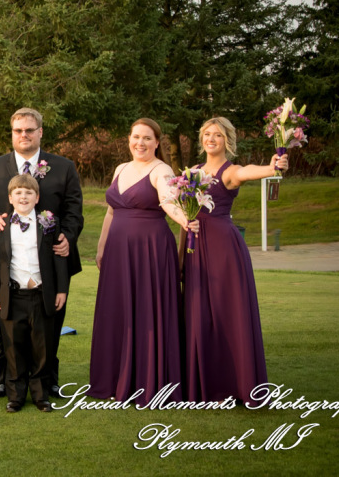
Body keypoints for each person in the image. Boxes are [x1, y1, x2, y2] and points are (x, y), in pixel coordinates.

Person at [0, 108, 83, 399]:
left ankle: (48, 380)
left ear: (40, 132)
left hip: (52, 261)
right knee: (6, 323)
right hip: (8, 263)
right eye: (18, 130)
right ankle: (7, 379)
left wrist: (68, 236)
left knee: (51, 322)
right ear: (12, 133)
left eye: (29, 130)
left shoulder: (63, 167)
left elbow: (74, 208)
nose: (24, 135)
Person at [183, 117, 288, 405]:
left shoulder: (230, 172)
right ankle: (202, 384)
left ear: (227, 140)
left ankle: (232, 385)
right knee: (199, 311)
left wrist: (272, 168)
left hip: (223, 249)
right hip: (194, 247)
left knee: (226, 311)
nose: (211, 139)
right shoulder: (192, 171)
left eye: (217, 135)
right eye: (207, 134)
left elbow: (247, 171)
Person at [89, 118, 191, 405]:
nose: (140, 143)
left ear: (157, 142)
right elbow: (111, 212)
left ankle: (148, 381)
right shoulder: (121, 168)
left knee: (147, 311)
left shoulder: (162, 170)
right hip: (117, 251)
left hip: (150, 251)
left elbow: (168, 200)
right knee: (118, 312)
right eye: (136, 137)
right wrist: (101, 247)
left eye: (147, 138)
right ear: (129, 139)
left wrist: (184, 219)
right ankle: (115, 380)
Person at [0, 174, 69, 413]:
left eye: (29, 193)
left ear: (37, 197)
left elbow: (59, 258)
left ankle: (41, 395)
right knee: (14, 348)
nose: (23, 197)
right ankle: (16, 396)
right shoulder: (1, 225)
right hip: (12, 296)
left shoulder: (48, 222)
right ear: (10, 198)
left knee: (42, 347)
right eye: (18, 193)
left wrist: (61, 289)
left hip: (42, 295)